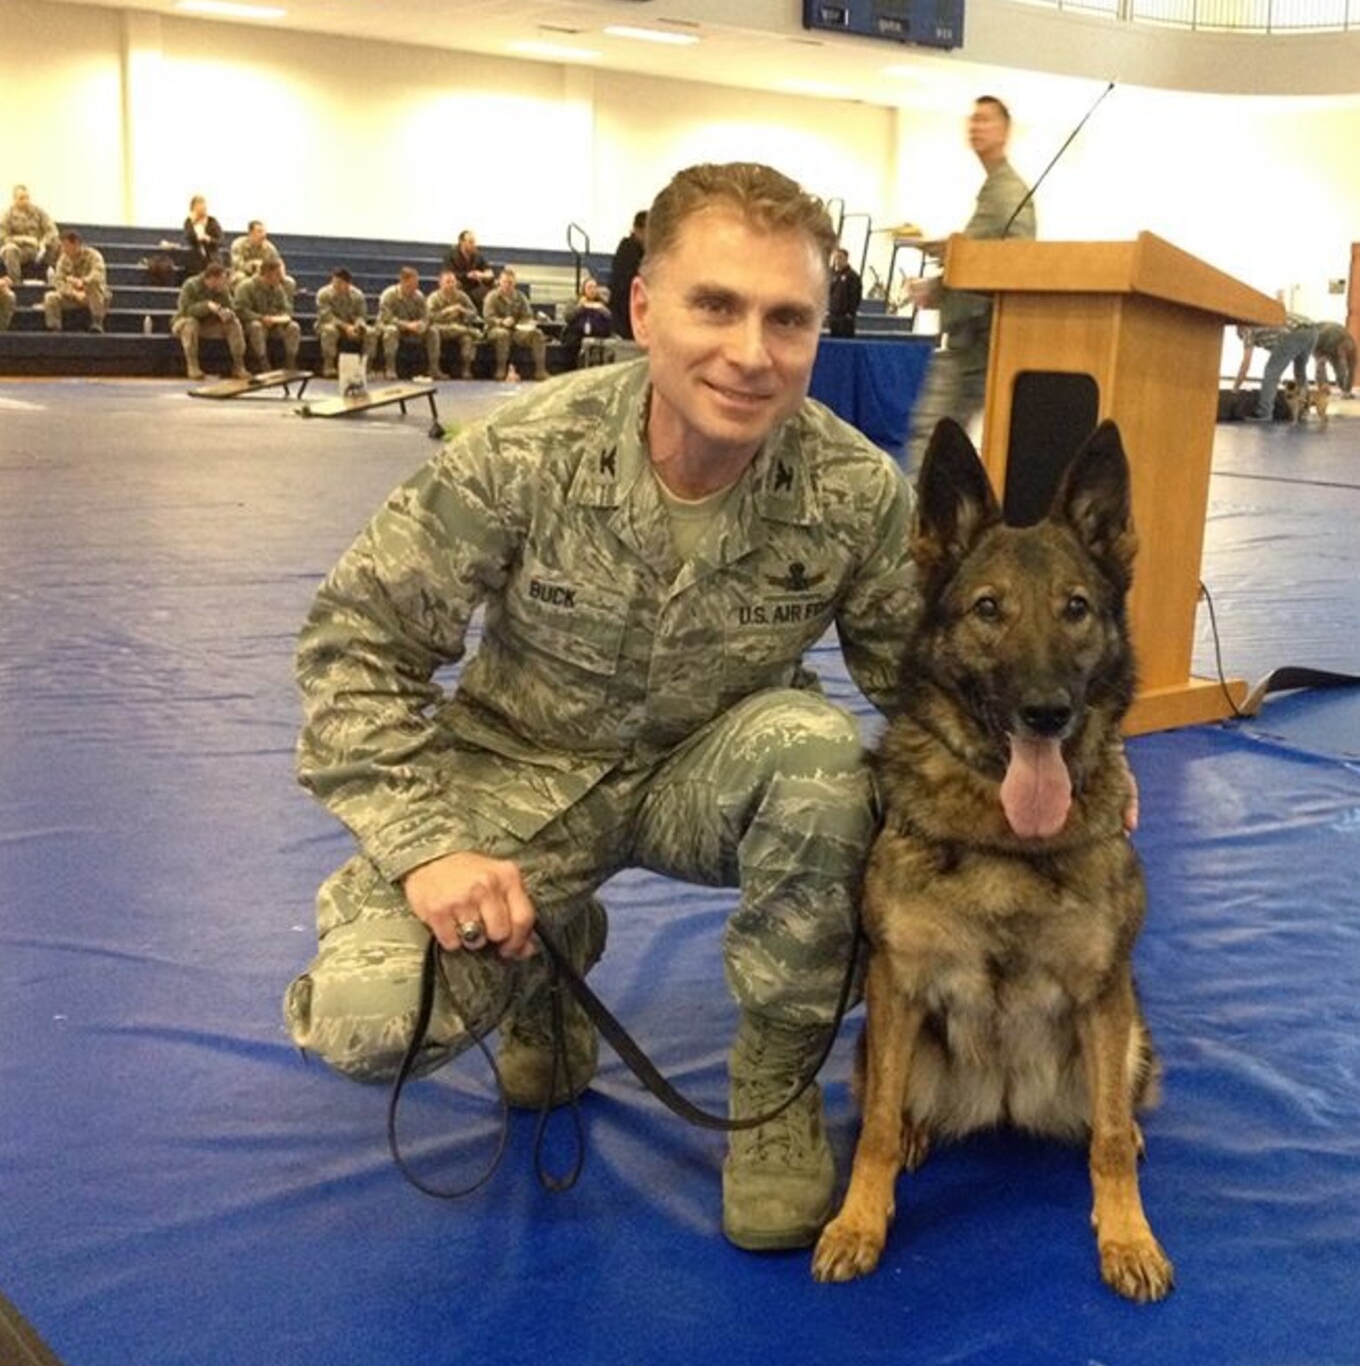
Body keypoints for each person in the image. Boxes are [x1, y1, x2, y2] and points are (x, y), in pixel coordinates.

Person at [281, 160, 918, 1254]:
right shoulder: (525, 452)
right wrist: (430, 852)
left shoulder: (857, 492)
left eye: (787, 318)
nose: (750, 353)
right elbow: (356, 650)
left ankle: (771, 1088)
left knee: (820, 756)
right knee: (369, 1022)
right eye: (713, 304)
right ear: (641, 307)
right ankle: (547, 960)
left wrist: (1061, 771)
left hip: (705, 775)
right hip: (514, 774)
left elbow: (925, 690)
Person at [900, 95, 1037, 473]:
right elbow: (981, 258)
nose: (976, 127)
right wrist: (939, 285)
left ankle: (920, 516)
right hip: (969, 336)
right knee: (943, 435)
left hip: (980, 340)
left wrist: (956, 251)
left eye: (985, 120)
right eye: (972, 120)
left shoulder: (1010, 193)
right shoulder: (993, 190)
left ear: (1006, 131)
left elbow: (1016, 261)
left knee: (933, 433)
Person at [173, 261, 249, 380]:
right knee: (191, 323)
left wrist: (228, 313)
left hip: (210, 325)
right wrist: (207, 306)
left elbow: (231, 306)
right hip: (185, 322)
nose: (224, 283)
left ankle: (239, 365)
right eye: (221, 280)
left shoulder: (223, 290)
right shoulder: (191, 285)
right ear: (213, 278)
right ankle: (193, 366)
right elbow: (186, 310)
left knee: (234, 324)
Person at [235, 256, 302, 373]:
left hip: (274, 323)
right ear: (267, 273)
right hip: (253, 322)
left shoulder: (278, 288)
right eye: (278, 274)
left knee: (294, 327)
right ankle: (262, 361)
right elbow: (241, 310)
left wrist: (280, 318)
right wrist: (261, 318)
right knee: (256, 326)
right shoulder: (246, 287)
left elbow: (286, 309)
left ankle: (291, 360)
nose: (281, 277)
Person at [482, 267, 549, 381]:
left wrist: (522, 323)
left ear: (515, 283)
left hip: (517, 330)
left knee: (537, 334)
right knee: (503, 334)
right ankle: (501, 369)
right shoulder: (492, 296)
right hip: (495, 329)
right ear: (500, 282)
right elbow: (487, 318)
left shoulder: (520, 297)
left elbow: (527, 315)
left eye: (510, 283)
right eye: (505, 282)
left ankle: (540, 370)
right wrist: (502, 322)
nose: (508, 285)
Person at [43, 231, 109, 333]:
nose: (64, 250)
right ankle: (54, 328)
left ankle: (97, 322)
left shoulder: (93, 256)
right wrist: (73, 293)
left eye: (66, 246)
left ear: (76, 244)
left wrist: (83, 282)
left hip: (92, 296)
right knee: (50, 297)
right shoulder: (63, 260)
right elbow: (59, 282)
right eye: (63, 246)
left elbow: (98, 274)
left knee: (95, 287)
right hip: (73, 296)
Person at [373, 266, 430, 381]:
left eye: (416, 284)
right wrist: (407, 325)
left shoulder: (419, 296)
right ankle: (390, 368)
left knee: (433, 331)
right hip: (388, 325)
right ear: (403, 281)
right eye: (411, 284)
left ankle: (433, 368)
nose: (414, 287)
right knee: (391, 331)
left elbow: (425, 316)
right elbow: (387, 317)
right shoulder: (389, 295)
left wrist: (422, 326)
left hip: (412, 327)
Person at [425, 267, 482, 380]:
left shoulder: (461, 296)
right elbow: (429, 317)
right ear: (440, 283)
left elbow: (474, 314)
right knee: (440, 331)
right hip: (441, 328)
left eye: (453, 282)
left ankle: (466, 369)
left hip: (458, 328)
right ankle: (434, 369)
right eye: (448, 282)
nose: (451, 285)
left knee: (467, 338)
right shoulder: (434, 297)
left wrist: (462, 310)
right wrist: (446, 312)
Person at [0, 185, 60, 284]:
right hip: (19, 250)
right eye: (21, 198)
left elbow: (52, 230)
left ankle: (55, 279)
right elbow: (2, 238)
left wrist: (44, 243)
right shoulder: (7, 215)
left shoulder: (38, 212)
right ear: (15, 199)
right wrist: (25, 239)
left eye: (27, 197)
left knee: (56, 242)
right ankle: (16, 283)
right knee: (10, 250)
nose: (25, 201)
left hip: (37, 250)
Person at [316, 267, 371, 380]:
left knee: (370, 332)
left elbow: (362, 315)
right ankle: (329, 366)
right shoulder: (324, 294)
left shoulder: (357, 295)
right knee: (329, 330)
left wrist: (357, 326)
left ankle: (367, 366)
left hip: (351, 326)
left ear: (348, 284)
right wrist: (346, 327)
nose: (335, 285)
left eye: (340, 283)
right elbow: (327, 316)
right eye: (334, 282)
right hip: (329, 324)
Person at [557, 275, 617, 371]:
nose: (592, 290)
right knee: (572, 343)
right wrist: (580, 307)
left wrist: (603, 309)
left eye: (594, 287)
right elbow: (568, 317)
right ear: (583, 289)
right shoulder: (575, 301)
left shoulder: (602, 302)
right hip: (578, 334)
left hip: (599, 333)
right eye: (589, 287)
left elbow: (612, 318)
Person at [606, 210, 646, 341]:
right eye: (646, 232)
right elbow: (624, 289)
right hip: (624, 320)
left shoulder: (636, 251)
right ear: (637, 229)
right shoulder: (629, 251)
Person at [444, 230, 495, 308]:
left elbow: (490, 273)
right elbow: (448, 274)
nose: (474, 245)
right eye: (471, 242)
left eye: (474, 242)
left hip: (475, 286)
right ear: (462, 242)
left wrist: (481, 275)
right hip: (460, 285)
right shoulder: (450, 255)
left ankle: (484, 317)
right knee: (455, 286)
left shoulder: (478, 255)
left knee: (492, 288)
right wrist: (467, 275)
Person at [230, 220, 289, 284]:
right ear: (250, 233)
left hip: (264, 275)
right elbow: (237, 265)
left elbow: (278, 263)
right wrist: (254, 265)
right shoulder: (238, 244)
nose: (263, 235)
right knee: (241, 277)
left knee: (289, 281)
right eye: (259, 231)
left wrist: (281, 275)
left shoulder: (270, 247)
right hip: (243, 273)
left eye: (264, 231)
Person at [182, 195, 224, 276]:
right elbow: (189, 238)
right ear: (193, 208)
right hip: (195, 257)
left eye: (203, 204)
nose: (202, 207)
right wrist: (194, 224)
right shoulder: (189, 222)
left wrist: (209, 239)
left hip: (212, 256)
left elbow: (221, 241)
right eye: (199, 204)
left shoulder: (212, 221)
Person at [826, 247, 862, 338]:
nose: (838, 260)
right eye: (836, 258)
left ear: (846, 259)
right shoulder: (832, 274)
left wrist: (850, 313)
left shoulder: (853, 276)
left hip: (845, 318)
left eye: (840, 258)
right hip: (833, 316)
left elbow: (856, 296)